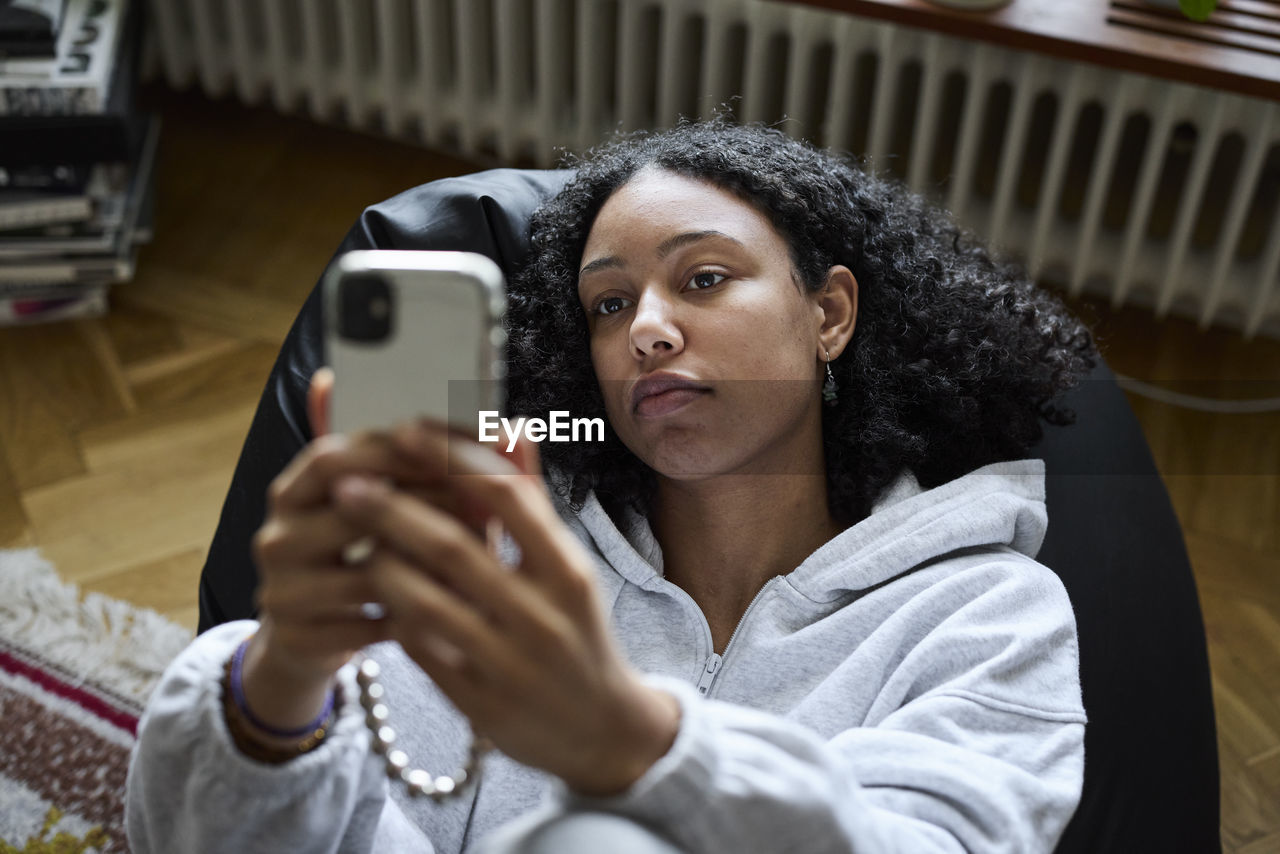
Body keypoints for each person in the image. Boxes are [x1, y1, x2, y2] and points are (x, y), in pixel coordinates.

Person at [126, 121, 1097, 853]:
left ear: (828, 312)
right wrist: (280, 687)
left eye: (704, 278)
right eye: (607, 301)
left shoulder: (983, 612)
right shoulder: (494, 550)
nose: (646, 328)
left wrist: (631, 740)